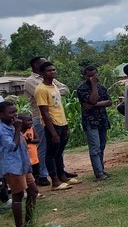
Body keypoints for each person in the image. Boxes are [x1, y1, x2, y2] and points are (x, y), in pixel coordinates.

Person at [24, 56, 70, 187]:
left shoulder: (51, 82)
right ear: (36, 66)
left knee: (57, 148)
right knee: (44, 147)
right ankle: (43, 175)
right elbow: (42, 101)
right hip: (41, 118)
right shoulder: (32, 82)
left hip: (57, 118)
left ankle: (59, 172)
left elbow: (65, 89)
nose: (52, 72)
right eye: (42, 63)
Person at [34, 61, 79, 190]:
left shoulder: (53, 85)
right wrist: (53, 132)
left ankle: (62, 177)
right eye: (49, 70)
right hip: (52, 125)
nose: (52, 72)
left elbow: (58, 107)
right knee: (51, 154)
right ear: (42, 73)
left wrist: (66, 125)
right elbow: (45, 113)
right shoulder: (41, 90)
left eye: (53, 70)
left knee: (59, 152)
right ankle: (55, 181)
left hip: (62, 122)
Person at [1, 103, 40, 227]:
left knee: (33, 191)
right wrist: (18, 129)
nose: (15, 115)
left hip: (23, 165)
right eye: (11, 113)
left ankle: (29, 222)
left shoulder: (11, 126)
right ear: (1, 114)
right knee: (18, 195)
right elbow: (12, 146)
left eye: (15, 112)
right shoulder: (2, 130)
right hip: (13, 167)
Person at [75, 66, 112, 181]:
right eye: (89, 75)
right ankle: (98, 173)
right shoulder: (82, 88)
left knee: (102, 146)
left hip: (102, 120)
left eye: (94, 75)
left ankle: (101, 169)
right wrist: (94, 85)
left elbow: (109, 102)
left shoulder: (102, 87)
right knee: (95, 147)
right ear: (85, 76)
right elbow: (92, 100)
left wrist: (94, 105)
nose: (92, 77)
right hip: (90, 121)